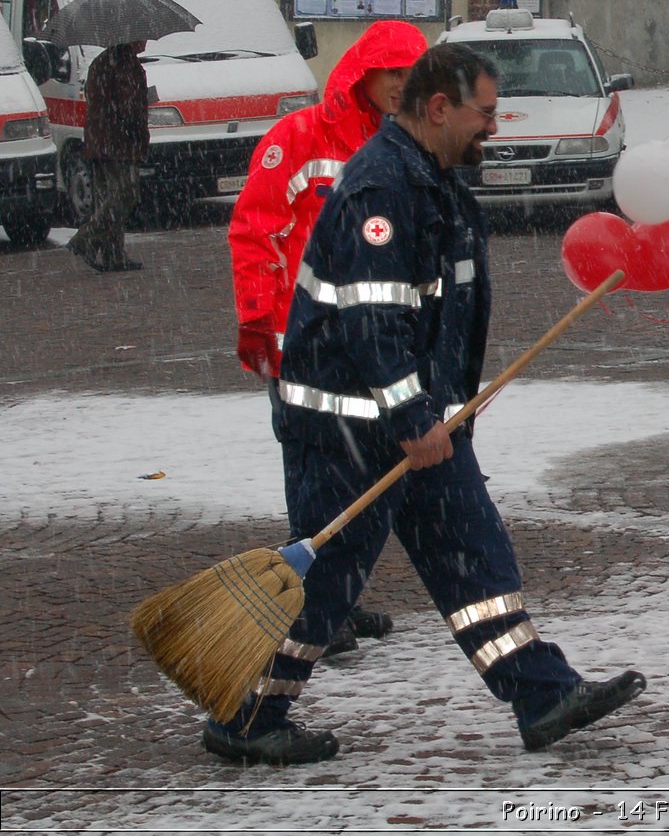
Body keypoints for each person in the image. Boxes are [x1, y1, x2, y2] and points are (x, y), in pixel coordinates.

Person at [201, 44, 645, 766]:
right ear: (438, 108)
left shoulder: (434, 181)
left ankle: (541, 694)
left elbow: (439, 312)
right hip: (346, 426)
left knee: (473, 553)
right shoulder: (382, 190)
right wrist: (413, 420)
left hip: (420, 420)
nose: (493, 129)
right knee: (327, 586)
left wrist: (446, 408)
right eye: (486, 113)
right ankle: (246, 714)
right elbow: (373, 323)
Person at [229, 20, 428, 655]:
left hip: (369, 348)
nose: (400, 87)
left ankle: (336, 594)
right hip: (301, 346)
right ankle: (311, 607)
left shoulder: (408, 149)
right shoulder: (299, 138)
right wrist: (260, 320)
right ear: (363, 74)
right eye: (390, 74)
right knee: (314, 471)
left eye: (410, 76)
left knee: (360, 473)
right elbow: (254, 230)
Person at [68, 41, 148, 272]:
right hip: (117, 142)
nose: (146, 43)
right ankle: (85, 239)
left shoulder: (105, 61)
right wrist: (138, 126)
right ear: (130, 36)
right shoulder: (122, 64)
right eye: (142, 37)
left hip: (101, 140)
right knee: (125, 193)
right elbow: (127, 107)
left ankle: (113, 254)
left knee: (109, 197)